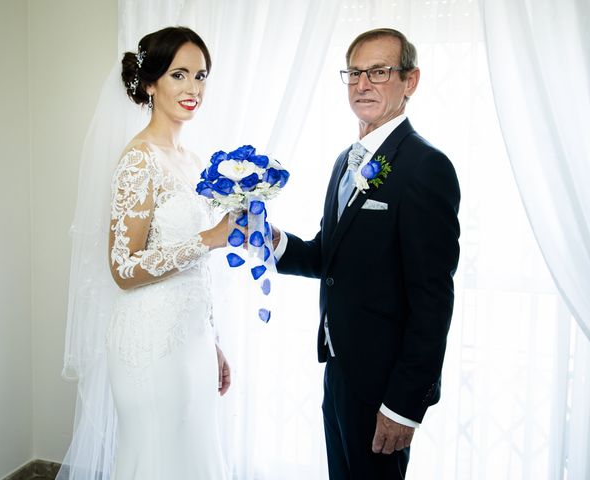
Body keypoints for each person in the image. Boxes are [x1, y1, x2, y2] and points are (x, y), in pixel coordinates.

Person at [273, 28, 460, 479]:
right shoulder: (345, 161)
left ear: (409, 81)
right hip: (338, 370)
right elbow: (327, 257)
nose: (363, 84)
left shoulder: (426, 166)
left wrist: (404, 405)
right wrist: (272, 241)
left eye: (379, 72)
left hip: (385, 385)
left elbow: (433, 300)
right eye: (355, 72)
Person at [58, 27, 231, 480]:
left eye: (201, 75)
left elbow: (196, 272)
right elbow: (124, 267)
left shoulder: (193, 162)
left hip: (191, 340)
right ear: (151, 84)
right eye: (179, 75)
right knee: (157, 461)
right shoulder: (139, 160)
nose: (194, 88)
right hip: (149, 344)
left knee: (194, 457)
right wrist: (209, 239)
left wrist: (213, 342)